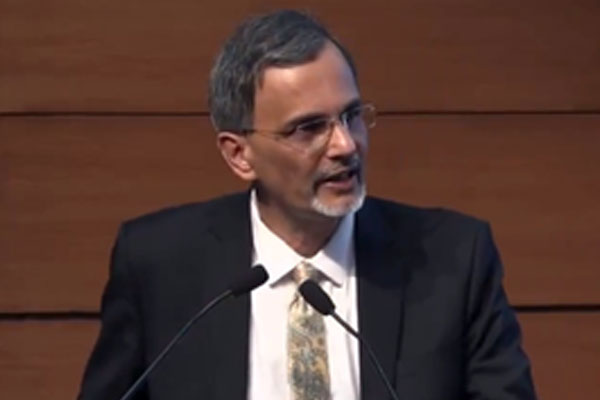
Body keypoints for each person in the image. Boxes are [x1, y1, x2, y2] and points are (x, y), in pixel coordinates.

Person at [78, 9, 537, 400]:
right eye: (309, 128)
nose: (345, 145)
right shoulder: (160, 265)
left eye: (352, 116)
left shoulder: (453, 260)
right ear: (239, 155)